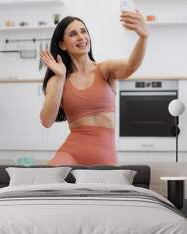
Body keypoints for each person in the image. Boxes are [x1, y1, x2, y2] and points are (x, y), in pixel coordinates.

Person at [40, 10, 148, 166]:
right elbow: (46, 121)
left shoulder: (104, 69)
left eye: (84, 31)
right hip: (71, 152)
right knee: (47, 183)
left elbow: (131, 65)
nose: (81, 37)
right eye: (73, 34)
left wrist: (143, 37)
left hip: (104, 155)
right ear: (62, 45)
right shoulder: (58, 78)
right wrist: (60, 77)